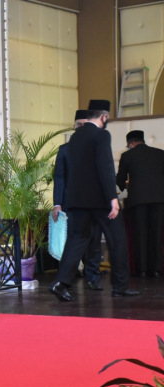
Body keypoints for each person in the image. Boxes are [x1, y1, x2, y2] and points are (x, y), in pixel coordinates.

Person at [50, 100, 140, 301]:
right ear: (104, 116)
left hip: (77, 201)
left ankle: (60, 283)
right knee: (117, 240)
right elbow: (105, 167)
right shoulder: (101, 135)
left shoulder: (75, 137)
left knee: (76, 241)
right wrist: (112, 198)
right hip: (100, 201)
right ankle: (120, 286)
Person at [52, 110, 103, 290]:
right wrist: (57, 204)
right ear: (74, 127)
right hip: (71, 205)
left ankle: (93, 278)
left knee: (94, 241)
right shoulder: (64, 150)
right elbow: (59, 177)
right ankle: (67, 279)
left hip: (95, 203)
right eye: (78, 125)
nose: (81, 128)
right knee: (72, 242)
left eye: (84, 125)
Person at [116, 130, 164, 278]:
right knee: (157, 235)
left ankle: (142, 270)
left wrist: (124, 186)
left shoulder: (127, 155)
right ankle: (156, 269)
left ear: (131, 144)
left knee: (140, 235)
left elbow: (120, 179)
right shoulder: (160, 153)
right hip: (159, 200)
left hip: (138, 201)